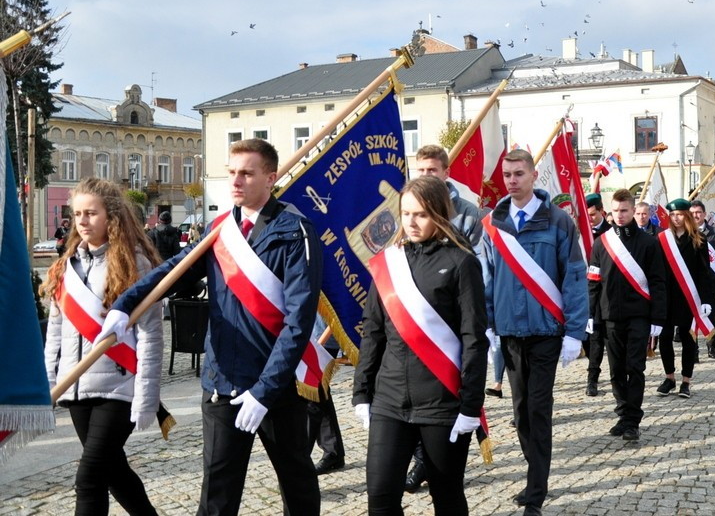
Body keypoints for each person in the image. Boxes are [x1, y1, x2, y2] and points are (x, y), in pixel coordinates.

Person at [99, 138, 323, 516]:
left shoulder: (295, 232)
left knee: (296, 484)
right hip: (222, 380)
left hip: (277, 387)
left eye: (247, 173)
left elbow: (298, 324)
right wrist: (126, 305)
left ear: (271, 178)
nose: (236, 181)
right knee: (217, 494)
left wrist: (264, 391)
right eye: (232, 172)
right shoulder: (221, 229)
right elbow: (174, 271)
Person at [353, 176, 488, 516]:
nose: (411, 222)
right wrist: (361, 392)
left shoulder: (461, 262)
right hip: (389, 400)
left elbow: (474, 339)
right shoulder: (389, 263)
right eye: (406, 213)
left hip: (442, 403)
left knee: (447, 497)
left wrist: (471, 406)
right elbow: (373, 331)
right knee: (381, 497)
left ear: (440, 214)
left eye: (421, 215)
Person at [43, 177, 163, 516]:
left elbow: (151, 335)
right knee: (114, 473)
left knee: (89, 477)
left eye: (91, 213)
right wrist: (49, 381)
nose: (82, 221)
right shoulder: (65, 267)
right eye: (77, 214)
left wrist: (147, 397)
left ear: (111, 216)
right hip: (77, 388)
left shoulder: (133, 263)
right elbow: (56, 331)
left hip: (119, 387)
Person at [480, 149, 588, 516]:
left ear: (533, 175)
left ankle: (536, 493)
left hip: (545, 332)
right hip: (509, 332)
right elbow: (488, 278)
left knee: (539, 410)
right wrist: (490, 324)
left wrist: (575, 332)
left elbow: (574, 277)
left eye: (519, 173)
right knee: (520, 410)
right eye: (507, 174)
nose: (512, 180)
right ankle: (533, 475)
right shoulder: (493, 223)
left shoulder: (558, 221)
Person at [404, 144, 486, 492]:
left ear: (446, 173)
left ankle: (434, 463)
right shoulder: (407, 211)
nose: (426, 177)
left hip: (452, 321)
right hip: (414, 320)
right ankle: (423, 459)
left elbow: (478, 269)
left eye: (432, 171)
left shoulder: (468, 214)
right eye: (420, 171)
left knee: (446, 394)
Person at [587, 189, 667, 441]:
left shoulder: (649, 244)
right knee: (615, 370)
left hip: (639, 315)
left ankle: (633, 419)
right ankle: (623, 413)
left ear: (633, 211)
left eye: (624, 211)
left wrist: (658, 318)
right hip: (610, 315)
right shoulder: (601, 243)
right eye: (615, 211)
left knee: (635, 367)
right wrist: (592, 315)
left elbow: (658, 282)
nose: (619, 215)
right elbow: (593, 283)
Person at [655, 199, 715, 399]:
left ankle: (686, 381)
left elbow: (704, 272)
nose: (676, 218)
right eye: (672, 215)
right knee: (664, 338)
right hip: (667, 297)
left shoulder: (698, 239)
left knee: (688, 339)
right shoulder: (662, 239)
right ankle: (669, 378)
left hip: (688, 297)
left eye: (680, 214)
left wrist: (707, 299)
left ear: (687, 216)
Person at [690, 200, 715, 359]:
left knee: (712, 315)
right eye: (692, 213)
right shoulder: (684, 234)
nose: (695, 215)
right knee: (692, 317)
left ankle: (711, 345)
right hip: (691, 283)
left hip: (711, 282)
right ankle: (693, 350)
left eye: (698, 212)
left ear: (704, 214)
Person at [307, 315, 345, 475]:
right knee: (319, 393)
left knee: (311, 395)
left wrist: (320, 344)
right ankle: (333, 452)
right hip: (312, 335)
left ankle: (300, 455)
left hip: (324, 338)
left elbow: (339, 309)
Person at [584, 192, 611, 397]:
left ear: (601, 211)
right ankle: (592, 378)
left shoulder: (610, 234)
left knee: (602, 340)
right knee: (590, 340)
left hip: (606, 294)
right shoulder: (580, 232)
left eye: (592, 214)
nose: (589, 218)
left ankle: (600, 379)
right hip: (584, 293)